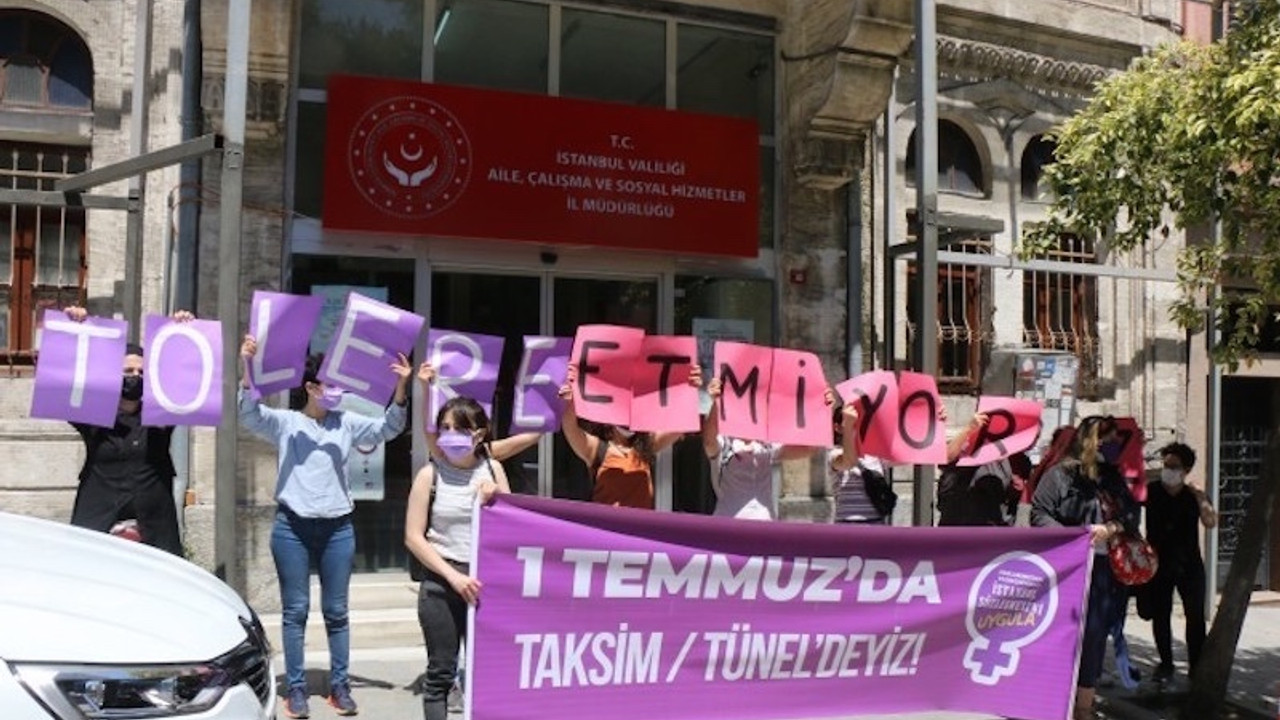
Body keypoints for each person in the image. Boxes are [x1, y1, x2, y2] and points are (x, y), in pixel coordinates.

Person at [239, 336, 411, 719]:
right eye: (329, 386)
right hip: (292, 528)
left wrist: (401, 387)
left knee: (337, 611)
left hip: (337, 529)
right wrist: (246, 366)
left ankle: (340, 686)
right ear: (311, 387)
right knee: (295, 610)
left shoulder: (346, 423)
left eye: (340, 386)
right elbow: (250, 415)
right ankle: (296, 689)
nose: (336, 393)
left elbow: (389, 428)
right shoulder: (287, 423)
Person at [404, 396, 509, 720]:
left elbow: (512, 526)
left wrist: (496, 498)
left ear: (478, 434)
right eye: (444, 427)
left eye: (458, 428)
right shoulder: (429, 475)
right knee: (440, 673)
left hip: (485, 585)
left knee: (488, 674)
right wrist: (453, 577)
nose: (449, 434)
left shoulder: (494, 469)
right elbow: (413, 537)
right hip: (441, 585)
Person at [1031, 415, 1140, 720]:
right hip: (1065, 570)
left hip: (1104, 571)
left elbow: (1131, 513)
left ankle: (1084, 708)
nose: (1114, 446)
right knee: (1060, 635)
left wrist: (1113, 527)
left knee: (1094, 636)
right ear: (1092, 441)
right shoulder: (1060, 476)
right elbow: (1040, 514)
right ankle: (1051, 702)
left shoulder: (1112, 478)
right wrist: (1071, 538)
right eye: (1108, 440)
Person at [63, 305, 191, 557]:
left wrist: (182, 334)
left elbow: (186, 381)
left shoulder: (160, 417)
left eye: (142, 372)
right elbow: (63, 382)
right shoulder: (94, 417)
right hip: (98, 522)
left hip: (155, 525)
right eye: (128, 371)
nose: (135, 376)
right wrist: (73, 329)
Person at [557, 363, 700, 509]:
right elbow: (570, 427)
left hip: (638, 529)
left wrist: (689, 388)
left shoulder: (646, 448)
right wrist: (572, 397)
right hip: (606, 529)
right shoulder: (596, 449)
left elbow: (681, 425)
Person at [1145, 441, 1216, 683]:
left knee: (1195, 618)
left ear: (1185, 470)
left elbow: (1210, 521)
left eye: (1174, 466)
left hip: (1189, 565)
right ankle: (1165, 664)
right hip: (1159, 564)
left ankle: (1196, 667)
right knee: (1160, 615)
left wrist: (1200, 496)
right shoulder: (1152, 491)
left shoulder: (1192, 496)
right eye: (1166, 465)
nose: (1168, 470)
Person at [700, 376, 818, 520]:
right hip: (729, 524)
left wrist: (819, 407)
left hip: (765, 526)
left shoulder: (767, 445)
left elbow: (809, 449)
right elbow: (708, 442)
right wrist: (718, 401)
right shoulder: (725, 442)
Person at [827, 398, 893, 524]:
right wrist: (848, 427)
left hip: (876, 523)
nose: (857, 427)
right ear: (837, 428)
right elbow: (848, 462)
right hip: (848, 525)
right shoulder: (834, 453)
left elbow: (906, 456)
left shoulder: (875, 454)